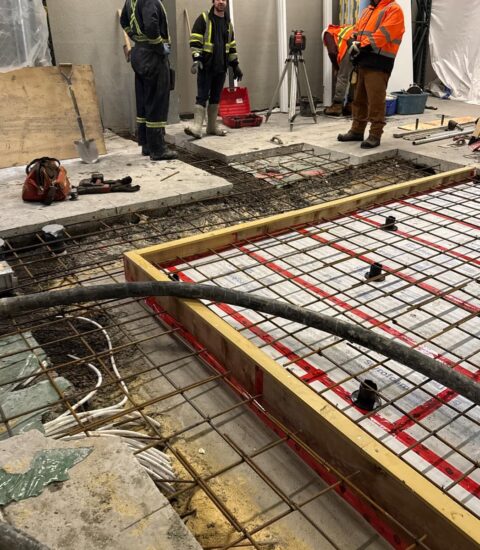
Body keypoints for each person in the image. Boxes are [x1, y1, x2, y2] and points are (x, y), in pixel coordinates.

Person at [338, 0, 405, 148]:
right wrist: (352, 40)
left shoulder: (393, 10)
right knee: (358, 99)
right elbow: (357, 30)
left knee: (375, 100)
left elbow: (383, 35)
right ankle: (357, 130)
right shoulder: (368, 10)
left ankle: (375, 134)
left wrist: (361, 46)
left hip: (379, 62)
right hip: (363, 59)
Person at [120, 0, 177, 161]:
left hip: (139, 53)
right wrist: (160, 47)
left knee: (144, 102)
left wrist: (135, 37)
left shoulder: (131, 1)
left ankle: (146, 144)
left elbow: (123, 21)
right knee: (157, 102)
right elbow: (152, 27)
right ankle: (158, 149)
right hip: (153, 57)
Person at [185, 0, 243, 139]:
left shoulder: (228, 24)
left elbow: (231, 46)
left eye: (223, 0)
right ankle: (197, 127)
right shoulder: (204, 18)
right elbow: (195, 40)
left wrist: (235, 65)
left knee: (216, 98)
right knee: (202, 96)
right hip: (206, 66)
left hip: (221, 68)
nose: (221, 2)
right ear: (213, 1)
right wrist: (197, 58)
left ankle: (211, 127)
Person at [323, 24, 356, 117]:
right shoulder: (341, 29)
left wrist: (337, 67)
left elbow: (332, 52)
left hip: (348, 48)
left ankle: (337, 106)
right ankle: (351, 106)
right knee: (354, 77)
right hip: (359, 46)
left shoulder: (327, 33)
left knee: (342, 77)